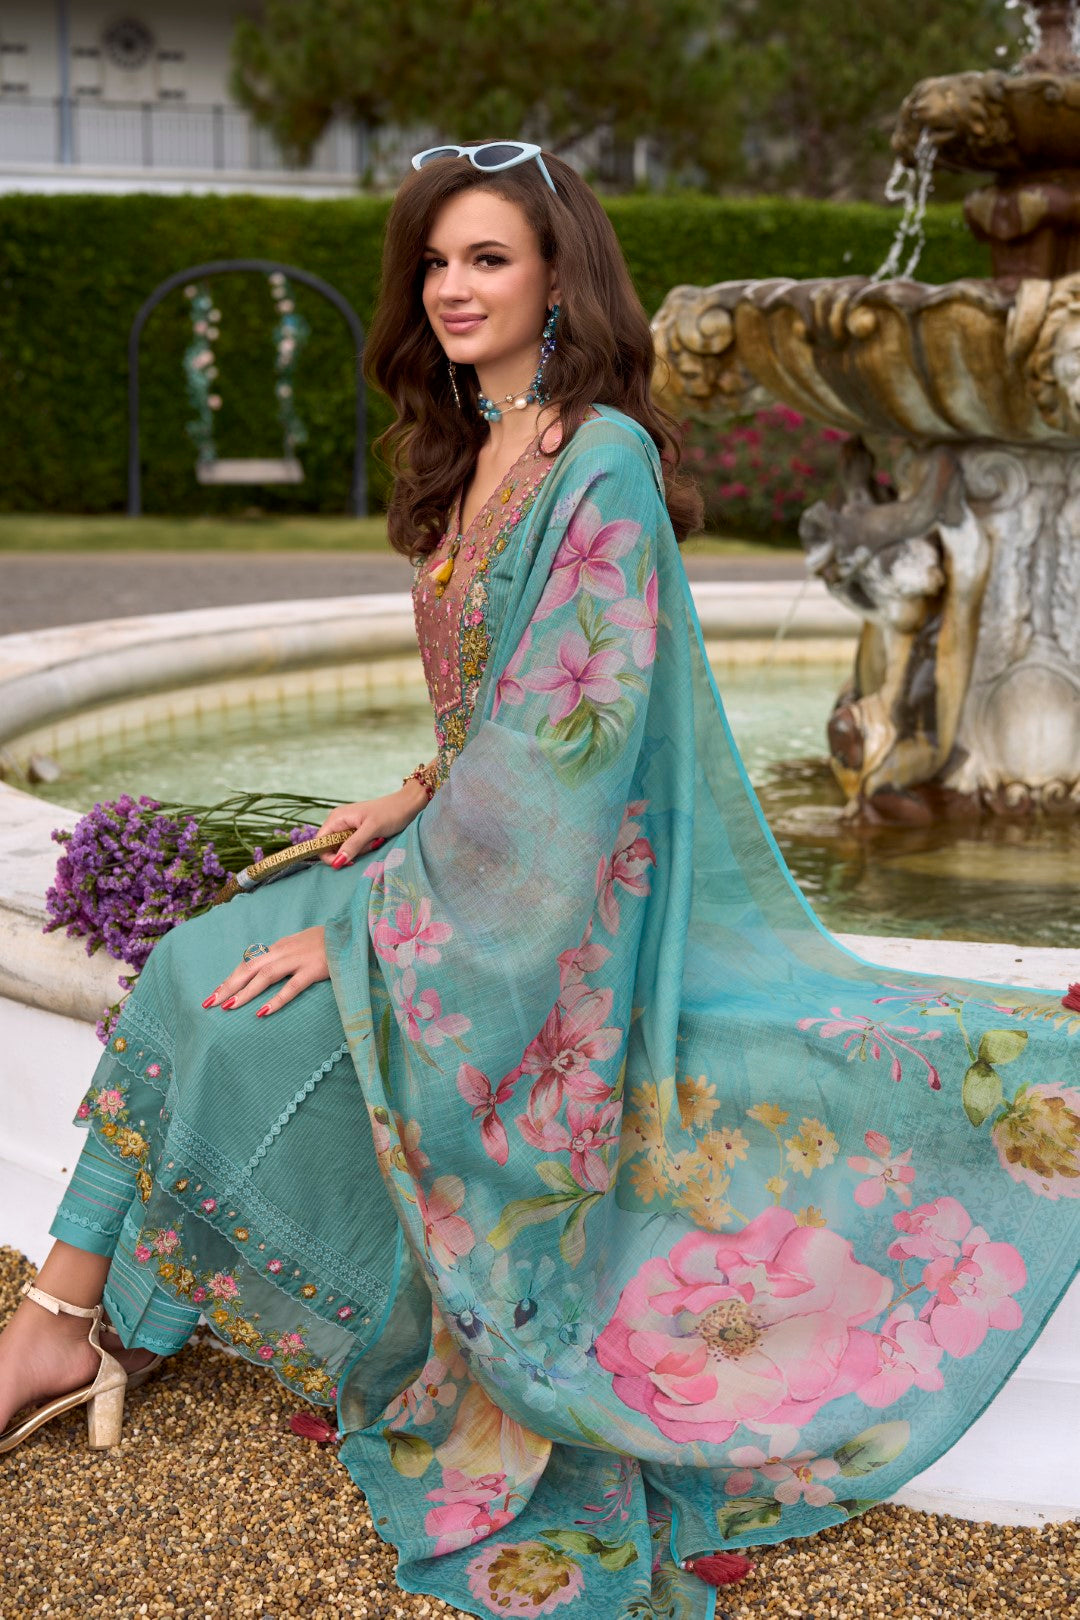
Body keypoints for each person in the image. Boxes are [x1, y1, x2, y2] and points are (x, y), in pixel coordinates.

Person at [2, 142, 1078, 1620]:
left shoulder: (599, 459)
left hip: (562, 903)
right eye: (436, 262)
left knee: (225, 987)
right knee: (203, 959)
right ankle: (60, 1323)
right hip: (464, 850)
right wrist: (413, 792)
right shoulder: (472, 442)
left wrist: (368, 931)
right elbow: (503, 712)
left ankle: (67, 1333)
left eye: (488, 259)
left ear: (560, 277)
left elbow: (574, 756)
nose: (452, 288)